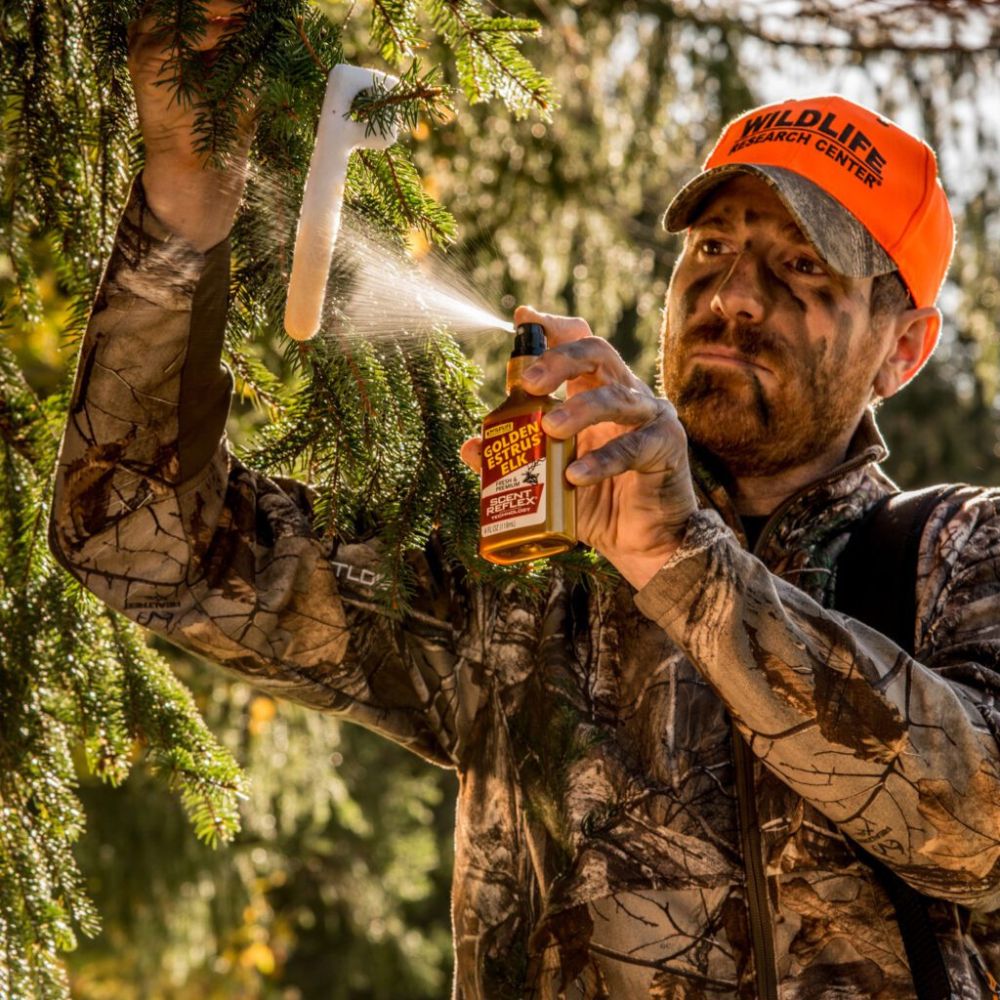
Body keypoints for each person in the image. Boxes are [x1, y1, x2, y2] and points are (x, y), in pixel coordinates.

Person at [50, 9, 1000, 999]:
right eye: (712, 247)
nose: (734, 296)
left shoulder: (960, 551)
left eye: (802, 265)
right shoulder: (531, 575)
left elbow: (978, 827)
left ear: (905, 345)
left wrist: (681, 557)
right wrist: (183, 210)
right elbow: (136, 536)